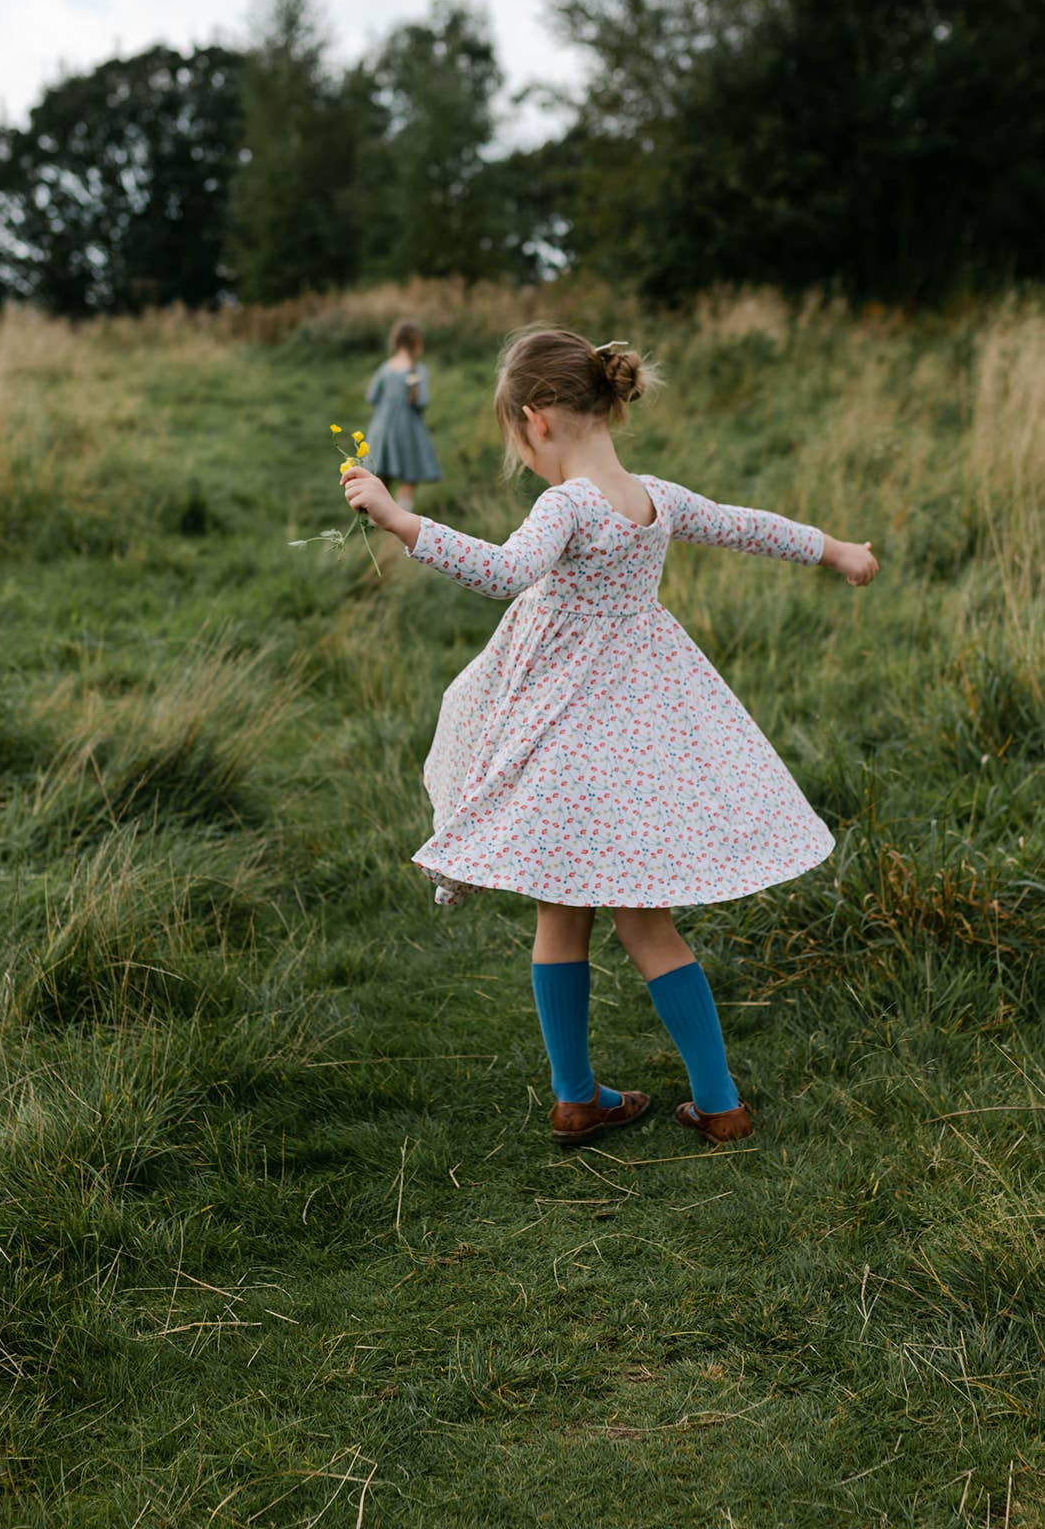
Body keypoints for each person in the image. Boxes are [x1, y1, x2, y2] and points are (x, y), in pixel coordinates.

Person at [341, 327, 879, 1148]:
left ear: (538, 421)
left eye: (513, 438)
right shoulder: (652, 497)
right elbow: (747, 525)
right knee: (646, 923)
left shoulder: (566, 504)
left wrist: (396, 517)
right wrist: (836, 549)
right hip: (639, 738)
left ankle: (575, 1096)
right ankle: (719, 1101)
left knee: (560, 917)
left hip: (564, 739)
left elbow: (501, 572)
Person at [363, 321, 442, 510]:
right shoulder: (418, 370)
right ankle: (401, 518)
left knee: (381, 476)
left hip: (383, 428)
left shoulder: (386, 368)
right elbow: (421, 402)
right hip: (408, 430)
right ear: (416, 343)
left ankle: (375, 516)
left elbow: (371, 396)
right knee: (408, 476)